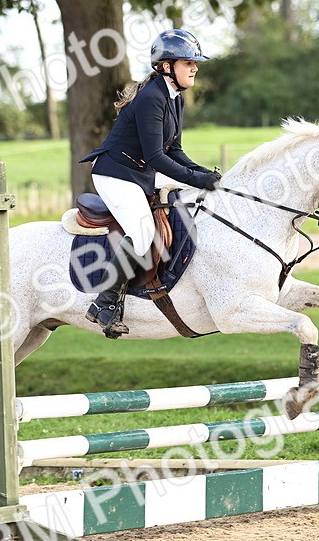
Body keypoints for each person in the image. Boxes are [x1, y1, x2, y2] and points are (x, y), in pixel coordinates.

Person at [79, 28, 221, 338]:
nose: (195, 67)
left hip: (140, 172)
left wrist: (204, 175)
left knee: (195, 193)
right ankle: (104, 304)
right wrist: (197, 178)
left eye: (195, 62)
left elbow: (175, 151)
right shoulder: (151, 98)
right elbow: (157, 157)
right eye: (188, 62)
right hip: (115, 174)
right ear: (167, 66)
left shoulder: (174, 98)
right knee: (142, 235)